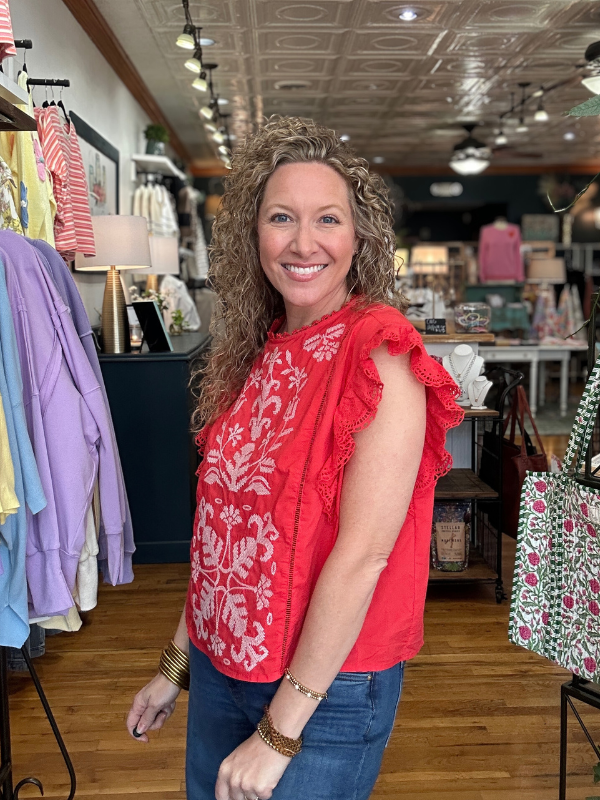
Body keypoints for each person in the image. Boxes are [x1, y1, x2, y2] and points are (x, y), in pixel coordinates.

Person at [126, 116, 463, 800]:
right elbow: (224, 534)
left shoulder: (381, 350)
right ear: (255, 236)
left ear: (358, 236)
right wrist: (177, 663)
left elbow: (365, 554)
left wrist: (279, 733)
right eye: (282, 218)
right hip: (224, 668)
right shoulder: (260, 350)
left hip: (326, 690)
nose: (303, 243)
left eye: (327, 219)